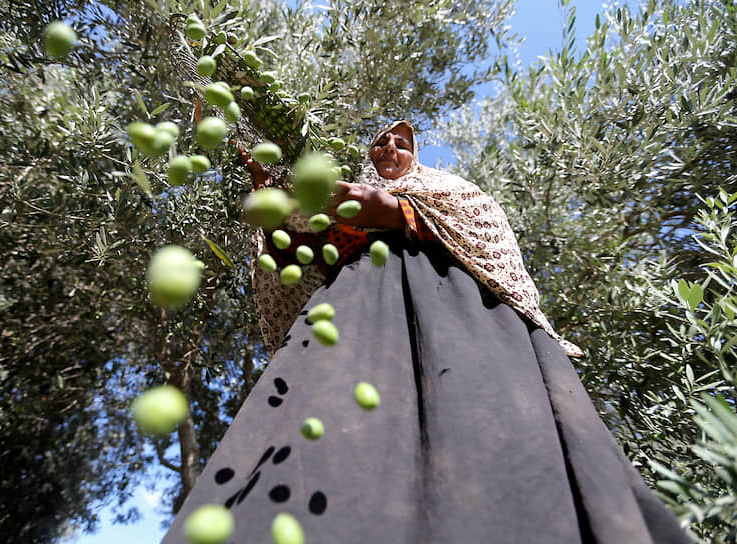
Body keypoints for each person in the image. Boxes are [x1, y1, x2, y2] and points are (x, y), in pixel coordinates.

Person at [162, 121, 691, 543]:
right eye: (381, 141)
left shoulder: (450, 192)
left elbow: (391, 212)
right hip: (363, 320)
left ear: (416, 155)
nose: (392, 146)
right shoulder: (346, 227)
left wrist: (298, 190)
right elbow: (292, 240)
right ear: (371, 157)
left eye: (403, 141)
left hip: (461, 316)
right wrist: (260, 171)